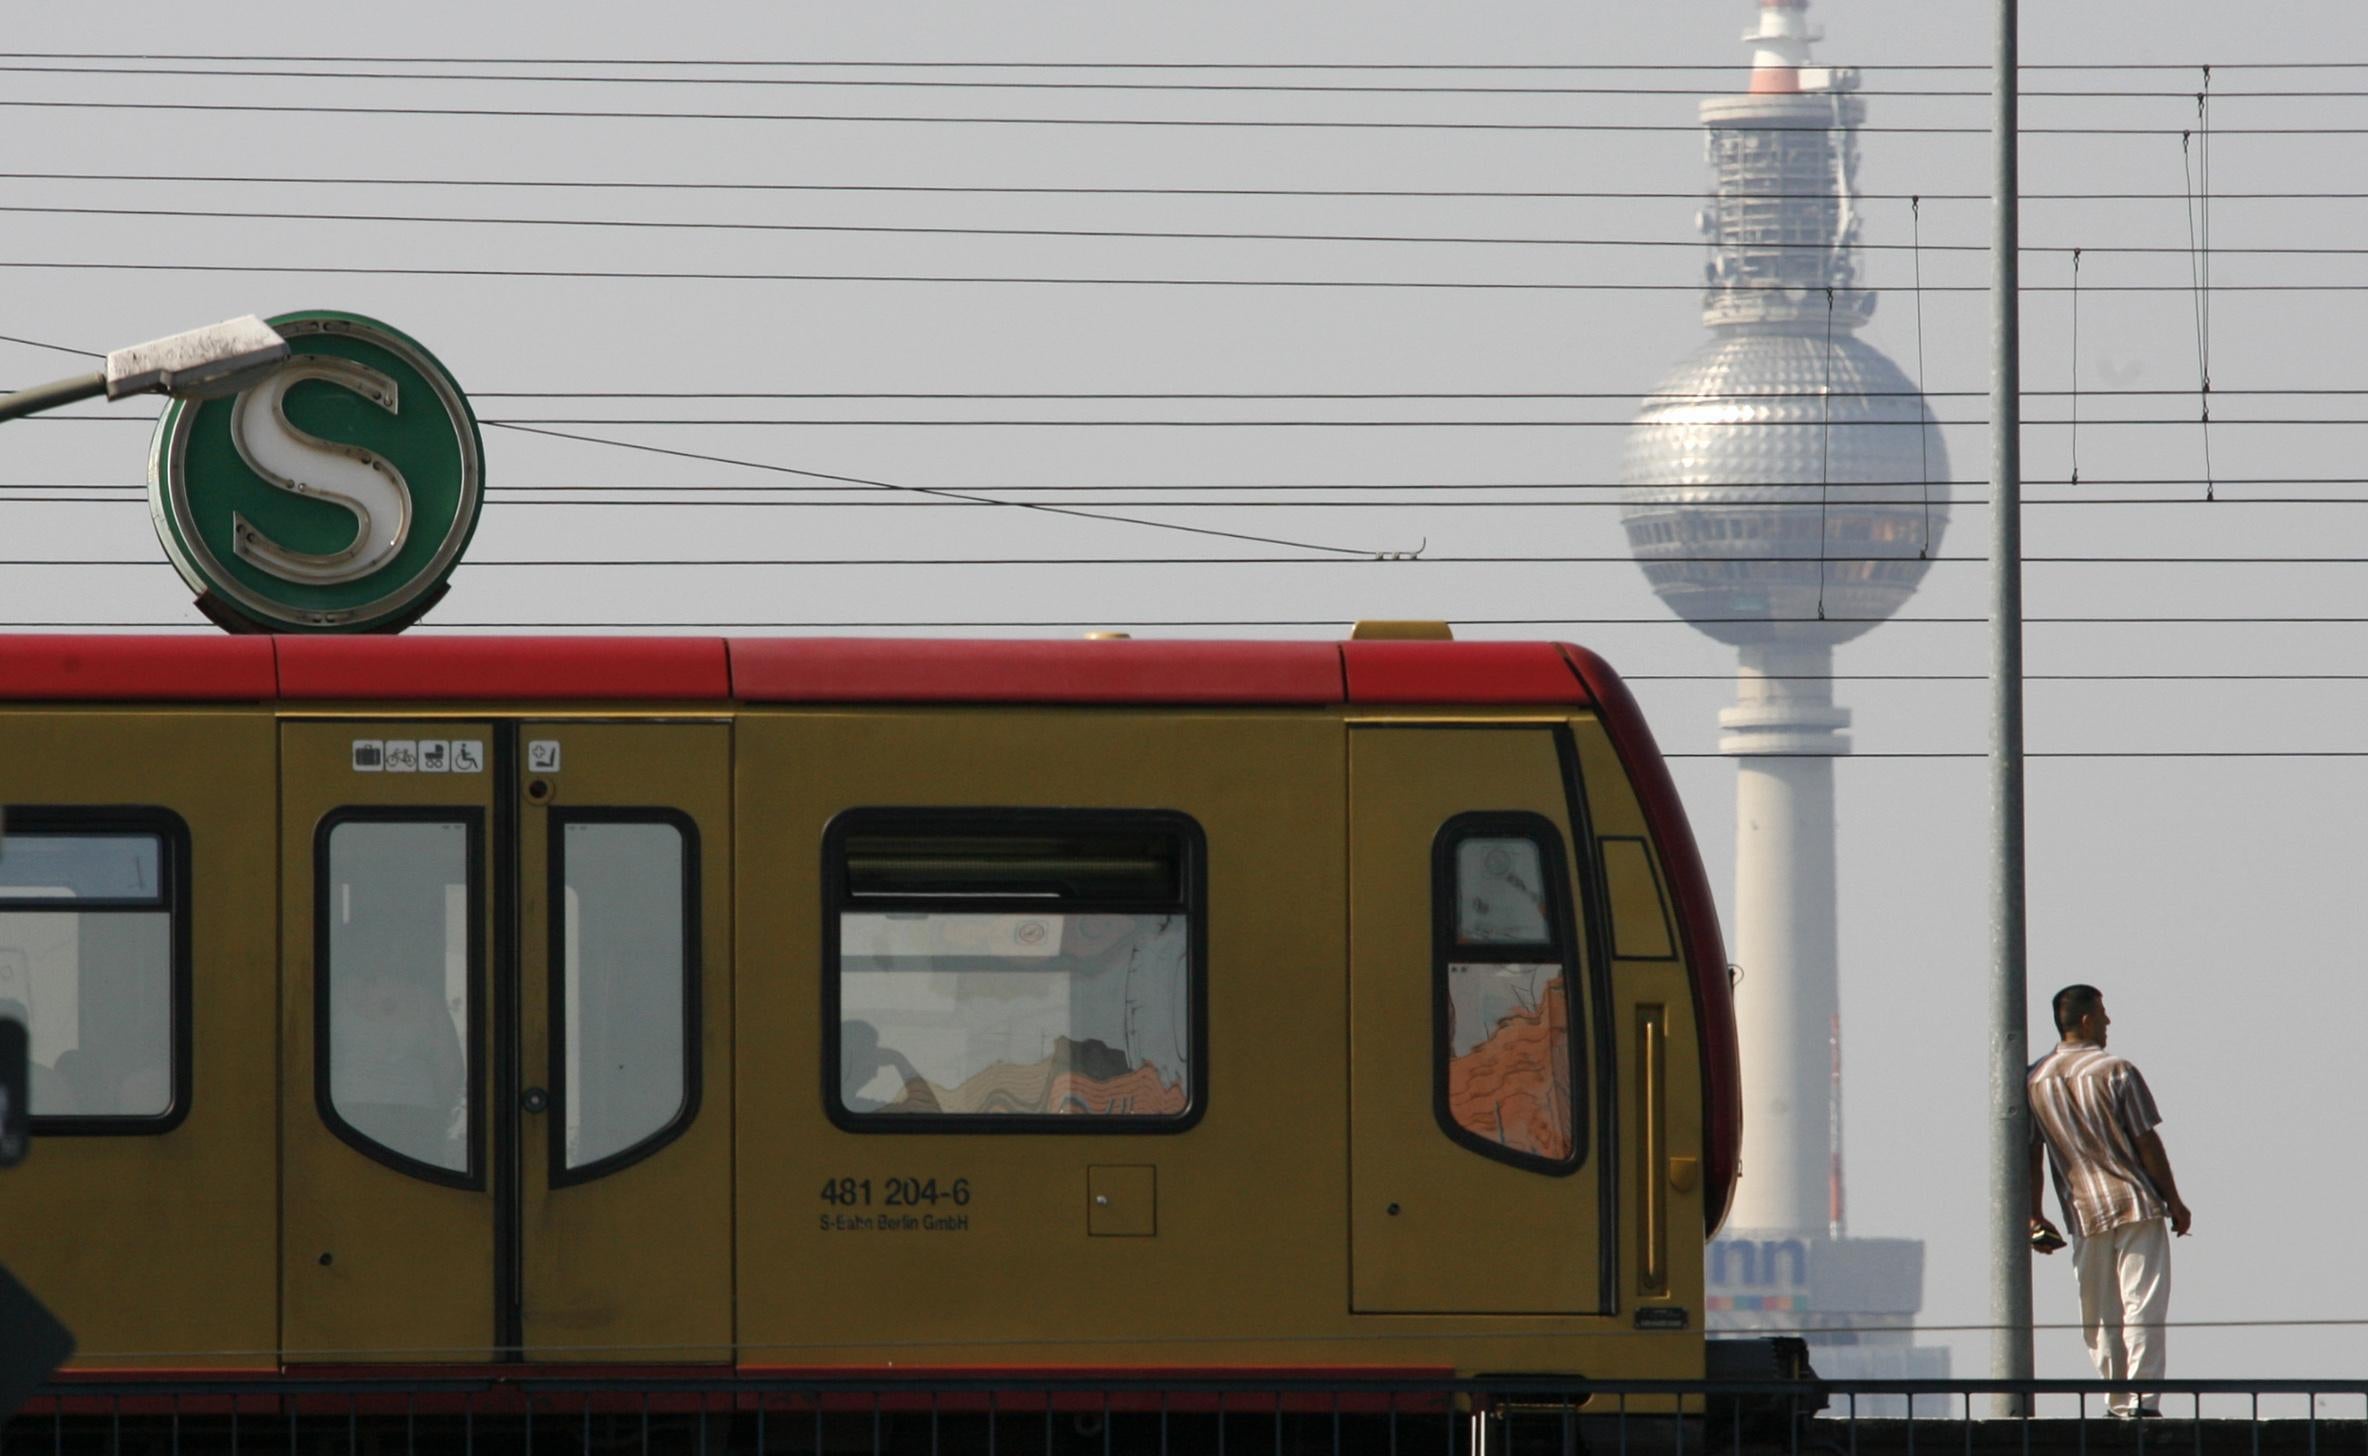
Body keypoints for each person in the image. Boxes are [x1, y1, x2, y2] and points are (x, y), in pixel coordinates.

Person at [2026, 984, 2193, 1419]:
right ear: (2085, 1020)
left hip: (2082, 1210)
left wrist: (2033, 1214)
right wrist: (2174, 1200)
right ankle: (2142, 1401)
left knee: (2099, 1313)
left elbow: (2031, 1155)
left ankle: (2117, 1401)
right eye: (2102, 1013)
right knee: (2143, 1303)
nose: (2108, 1022)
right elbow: (2146, 1141)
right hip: (2136, 1201)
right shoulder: (2117, 1071)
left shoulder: (2034, 1079)